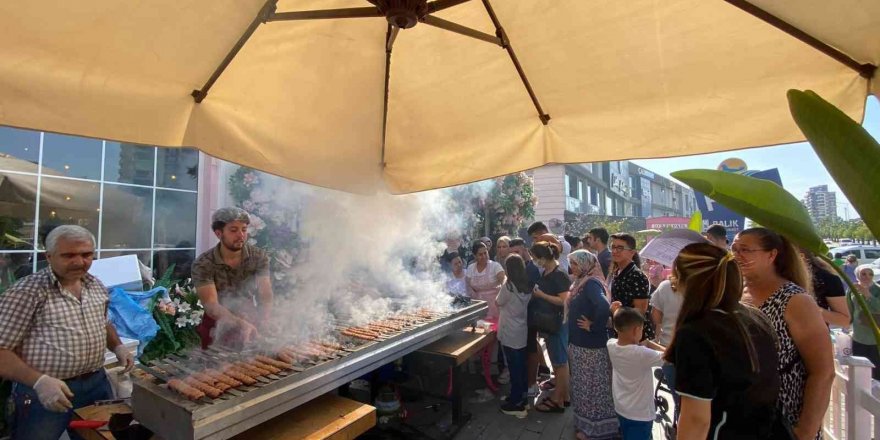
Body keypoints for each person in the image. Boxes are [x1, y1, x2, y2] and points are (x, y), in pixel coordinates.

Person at [0, 225, 134, 440]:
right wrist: (39, 382)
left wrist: (118, 346)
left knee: (97, 437)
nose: (79, 262)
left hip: (96, 385)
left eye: (86, 254)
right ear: (49, 256)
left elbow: (103, 321)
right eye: (69, 255)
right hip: (43, 393)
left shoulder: (95, 285)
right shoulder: (27, 292)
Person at [667, 243, 781, 439]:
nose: (674, 283)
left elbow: (696, 419)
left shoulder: (696, 333)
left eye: (676, 277)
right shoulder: (754, 317)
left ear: (690, 281)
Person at [734, 227, 834, 439]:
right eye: (734, 248)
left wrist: (804, 431)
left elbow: (823, 372)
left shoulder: (794, 300)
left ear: (772, 255)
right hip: (742, 421)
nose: (736, 255)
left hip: (785, 423)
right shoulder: (735, 293)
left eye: (745, 249)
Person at [192, 207, 274, 348]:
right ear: (219, 233)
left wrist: (265, 319)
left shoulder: (258, 257)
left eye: (244, 229)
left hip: (250, 318)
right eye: (233, 230)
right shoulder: (203, 263)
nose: (241, 235)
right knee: (214, 368)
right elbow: (211, 305)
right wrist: (239, 324)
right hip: (217, 325)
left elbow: (265, 293)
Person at [567, 250, 618, 439]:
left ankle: (595, 430)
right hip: (581, 345)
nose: (571, 267)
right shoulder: (582, 282)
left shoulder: (590, 284)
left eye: (574, 263)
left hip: (590, 347)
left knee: (591, 387)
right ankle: (586, 425)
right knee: (583, 385)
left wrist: (593, 326)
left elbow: (604, 305)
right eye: (571, 263)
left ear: (584, 264)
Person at [606, 307, 664, 440]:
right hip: (641, 414)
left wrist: (616, 311)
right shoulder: (642, 354)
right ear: (636, 330)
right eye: (641, 330)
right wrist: (649, 343)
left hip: (621, 408)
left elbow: (619, 325)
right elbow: (670, 357)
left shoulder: (611, 345)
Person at [530, 240, 571, 413]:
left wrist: (542, 295)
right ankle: (564, 396)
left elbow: (564, 301)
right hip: (549, 323)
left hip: (558, 324)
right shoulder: (546, 271)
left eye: (535, 258)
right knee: (557, 361)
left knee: (560, 363)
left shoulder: (559, 274)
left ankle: (558, 400)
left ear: (543, 257)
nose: (534, 261)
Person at [496, 254, 532, 418]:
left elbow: (498, 302)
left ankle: (517, 404)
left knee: (514, 368)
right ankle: (522, 397)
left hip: (510, 330)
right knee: (520, 366)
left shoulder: (508, 286)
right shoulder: (527, 284)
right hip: (521, 328)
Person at [608, 233, 653, 340]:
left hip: (635, 337)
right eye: (613, 247)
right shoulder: (617, 272)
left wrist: (617, 312)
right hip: (621, 332)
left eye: (620, 248)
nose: (614, 251)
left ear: (632, 252)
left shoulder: (637, 275)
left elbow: (640, 311)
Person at [650, 275, 683, 420]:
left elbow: (656, 318)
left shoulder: (665, 286)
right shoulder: (707, 287)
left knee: (677, 396)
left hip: (668, 346)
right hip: (695, 348)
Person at [802, 250, 850, 328]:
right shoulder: (780, 274)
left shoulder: (827, 278)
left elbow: (844, 320)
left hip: (815, 336)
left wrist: (809, 308)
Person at [848, 265, 880, 380]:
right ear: (857, 275)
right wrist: (848, 326)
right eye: (863, 274)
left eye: (870, 274)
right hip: (858, 336)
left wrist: (868, 294)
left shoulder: (877, 289)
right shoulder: (853, 289)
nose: (867, 277)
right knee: (860, 369)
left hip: (875, 337)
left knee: (876, 371)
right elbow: (850, 309)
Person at [466, 241, 506, 320]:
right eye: (480, 254)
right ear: (474, 256)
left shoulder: (495, 266)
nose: (484, 256)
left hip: (495, 306)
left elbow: (504, 282)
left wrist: (500, 299)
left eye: (485, 253)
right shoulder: (471, 268)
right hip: (479, 307)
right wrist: (474, 299)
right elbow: (468, 286)